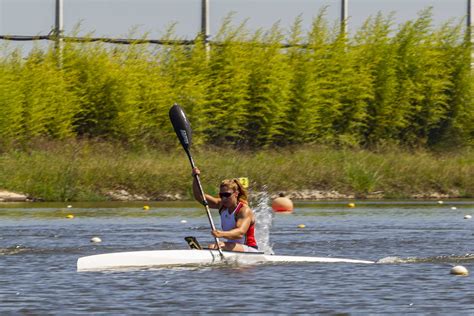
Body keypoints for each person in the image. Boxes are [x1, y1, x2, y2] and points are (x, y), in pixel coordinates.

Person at [192, 167, 258, 252]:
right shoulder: (222, 206)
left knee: (218, 245)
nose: (224, 198)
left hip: (249, 248)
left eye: (227, 195)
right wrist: (195, 178)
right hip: (231, 247)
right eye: (221, 195)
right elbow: (200, 197)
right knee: (213, 246)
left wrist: (221, 234)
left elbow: (240, 233)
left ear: (236, 194)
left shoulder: (243, 210)